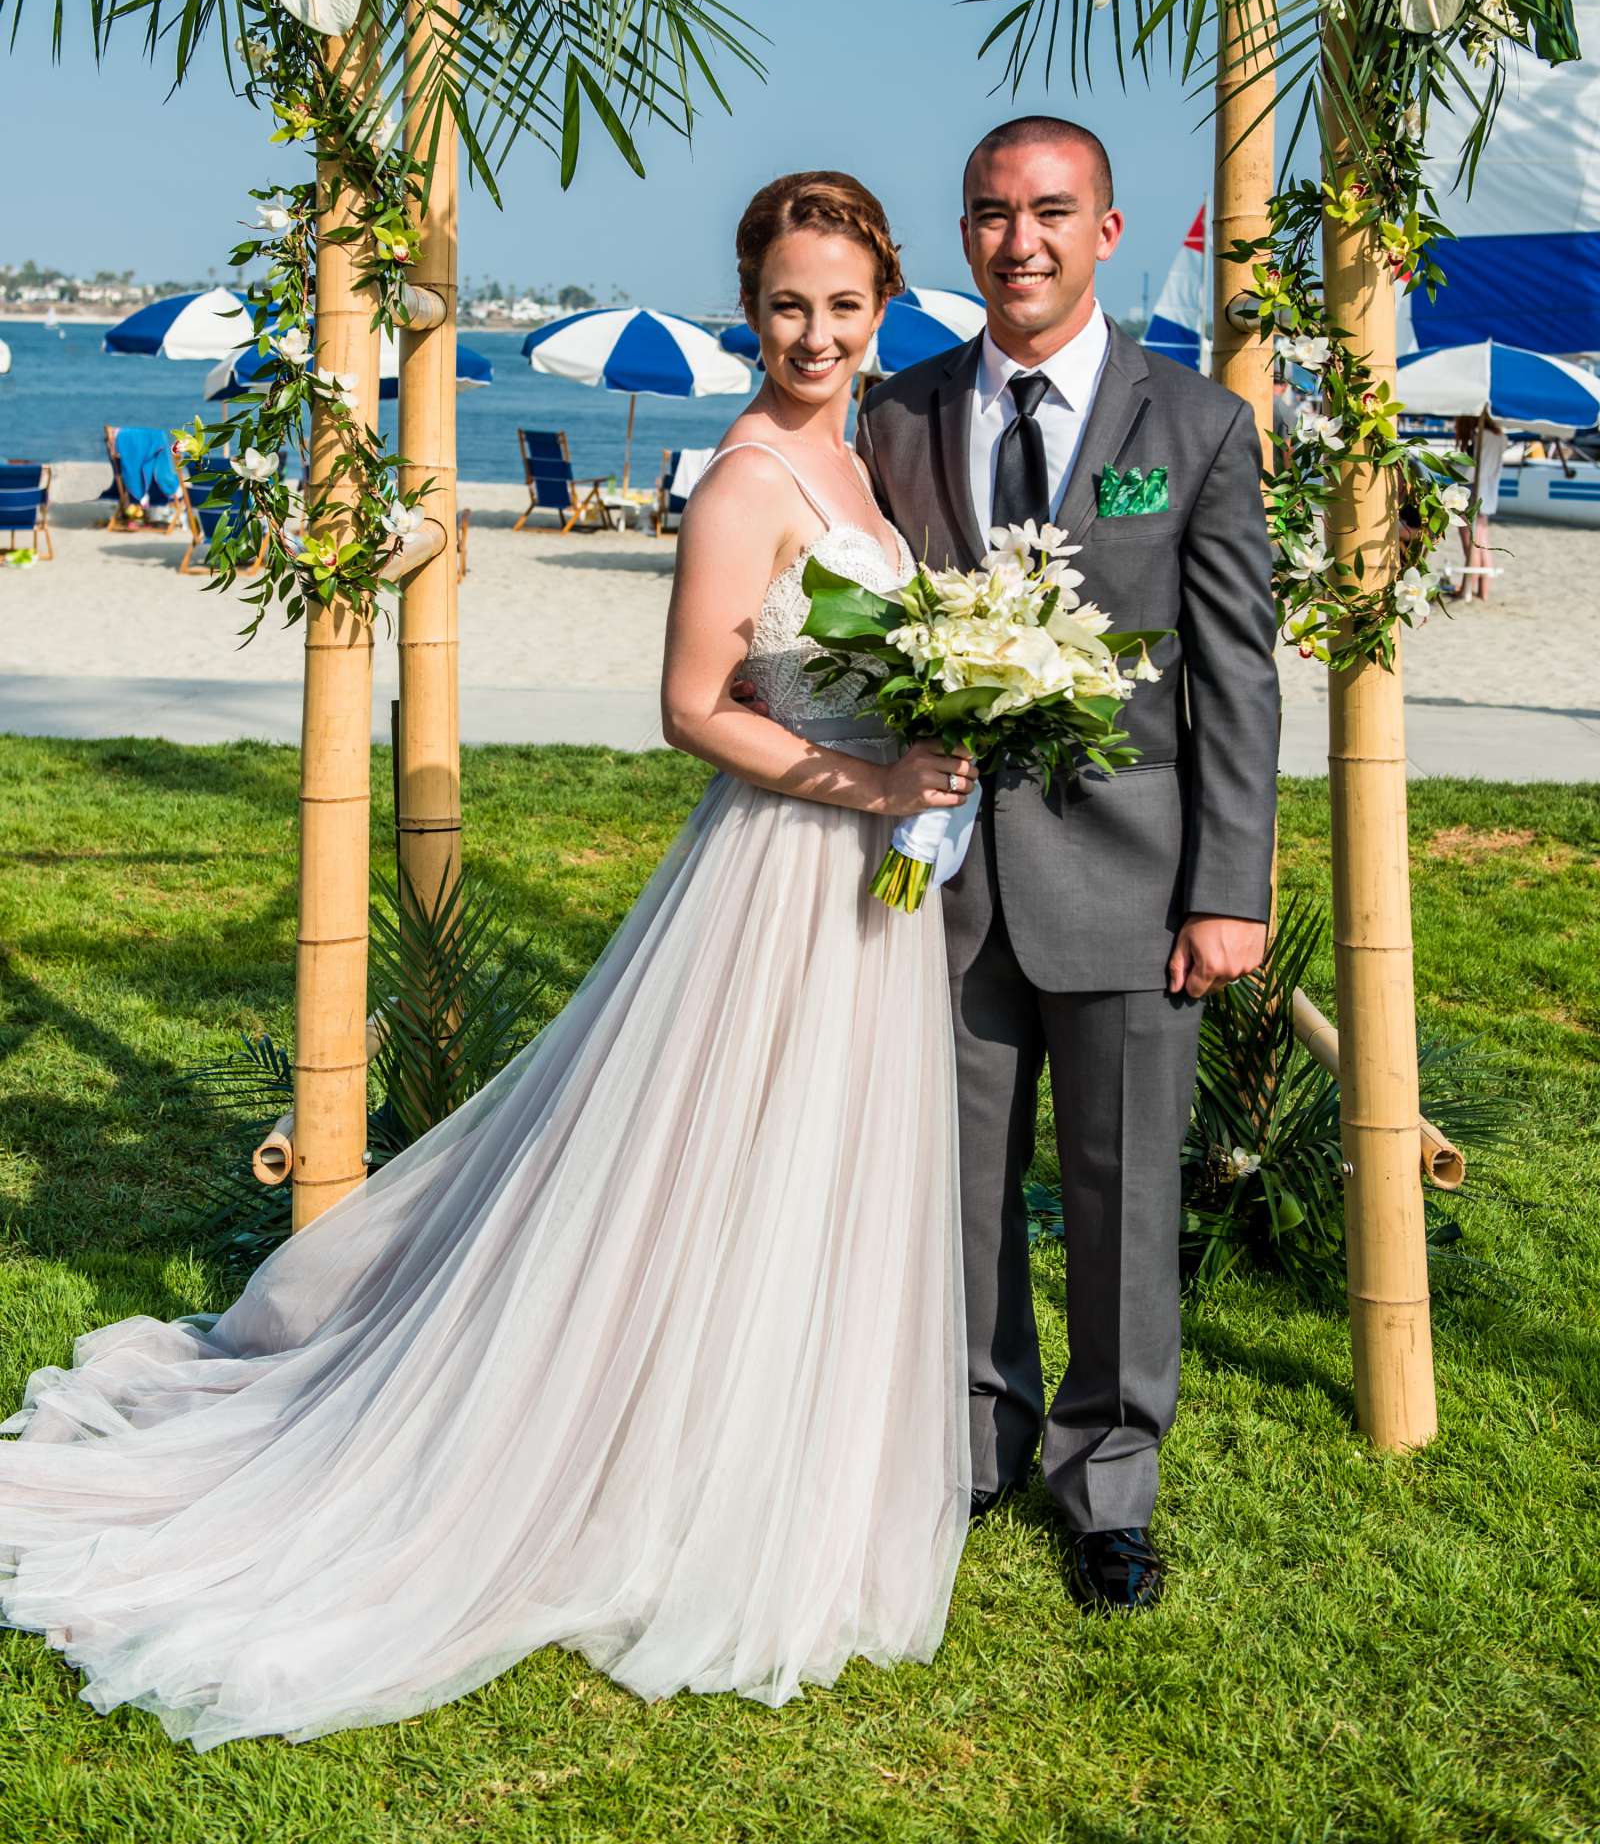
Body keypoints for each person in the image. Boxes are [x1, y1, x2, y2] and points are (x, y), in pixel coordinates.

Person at [0, 172, 975, 1749]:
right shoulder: (744, 481)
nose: (815, 331)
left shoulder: (856, 464)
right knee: (707, 1170)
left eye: (843, 305)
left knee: (809, 1179)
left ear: (881, 308)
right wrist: (875, 783)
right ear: (752, 305)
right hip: (780, 875)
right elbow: (694, 712)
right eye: (789, 303)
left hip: (868, 891)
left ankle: (756, 1459)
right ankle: (617, 1468)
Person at [854, 115, 1279, 1611]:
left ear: (1108, 230)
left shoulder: (1199, 426)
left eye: (1049, 211)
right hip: (942, 883)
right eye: (988, 212)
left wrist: (1232, 887)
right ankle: (973, 1451)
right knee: (958, 1192)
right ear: (962, 231)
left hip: (1140, 884)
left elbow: (1236, 677)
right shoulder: (893, 418)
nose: (1017, 239)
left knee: (1119, 1198)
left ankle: (1109, 1486)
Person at [1449, 412, 1504, 602]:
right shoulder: (1499, 435)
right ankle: (1483, 591)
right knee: (1483, 542)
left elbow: (1471, 471)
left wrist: (1451, 466)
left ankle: (1467, 588)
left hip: (1472, 492)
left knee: (1470, 542)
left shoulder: (1481, 436)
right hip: (1487, 493)